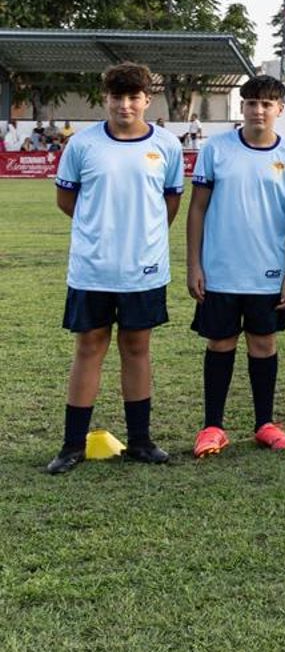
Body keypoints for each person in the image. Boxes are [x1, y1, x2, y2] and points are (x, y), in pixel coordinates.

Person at [45, 63, 184, 474]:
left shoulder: (167, 145)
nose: (125, 105)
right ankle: (72, 446)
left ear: (146, 99)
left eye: (133, 97)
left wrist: (143, 237)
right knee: (89, 348)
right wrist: (101, 232)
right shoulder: (83, 145)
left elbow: (169, 203)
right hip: (92, 268)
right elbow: (66, 201)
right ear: (105, 98)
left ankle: (141, 441)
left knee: (137, 348)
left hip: (143, 269)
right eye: (117, 97)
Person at [188, 75, 285, 457]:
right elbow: (198, 208)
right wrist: (194, 264)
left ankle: (265, 424)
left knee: (263, 343)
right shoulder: (217, 149)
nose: (258, 110)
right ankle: (212, 427)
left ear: (280, 110)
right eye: (252, 103)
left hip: (268, 270)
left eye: (267, 104)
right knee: (220, 342)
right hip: (220, 269)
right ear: (243, 107)